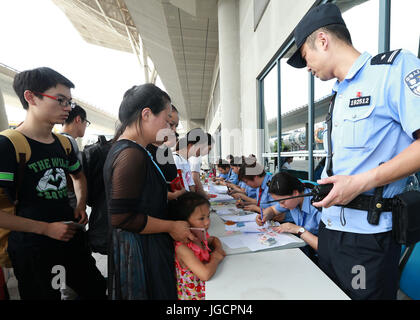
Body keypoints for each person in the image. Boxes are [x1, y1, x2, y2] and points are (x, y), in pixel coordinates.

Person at [287, 3, 420, 299]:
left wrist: (362, 182)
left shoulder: (393, 70)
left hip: (369, 238)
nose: (307, 67)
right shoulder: (337, 96)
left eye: (306, 57)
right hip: (331, 231)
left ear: (323, 40)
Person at [0, 67, 106, 300]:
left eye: (69, 101)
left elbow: (78, 176)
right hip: (32, 248)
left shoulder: (63, 144)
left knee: (96, 290)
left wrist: (80, 204)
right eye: (60, 100)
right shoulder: (8, 145)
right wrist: (46, 229)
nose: (67, 108)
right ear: (31, 97)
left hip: (70, 239)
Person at [103, 83, 196, 300]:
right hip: (140, 251)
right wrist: (172, 226)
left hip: (146, 243)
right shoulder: (130, 154)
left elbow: (142, 196)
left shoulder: (139, 151)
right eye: (166, 120)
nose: (170, 129)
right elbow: (121, 217)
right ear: (146, 114)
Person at [256, 172, 321, 264]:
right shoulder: (293, 200)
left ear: (295, 193)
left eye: (282, 202)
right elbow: (273, 210)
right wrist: (265, 215)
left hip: (322, 260)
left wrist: (298, 230)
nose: (281, 205)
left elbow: (326, 247)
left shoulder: (319, 207)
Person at [172, 192, 226, 300]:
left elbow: (215, 240)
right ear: (184, 222)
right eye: (201, 219)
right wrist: (215, 258)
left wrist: (218, 250)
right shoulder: (183, 248)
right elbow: (205, 274)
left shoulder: (199, 235)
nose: (207, 222)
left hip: (211, 288)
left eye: (208, 216)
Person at [147, 104, 186, 201]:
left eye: (176, 126)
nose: (174, 130)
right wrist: (168, 195)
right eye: (170, 124)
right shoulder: (142, 151)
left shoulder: (164, 148)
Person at [61, 104, 90, 209]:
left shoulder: (57, 140)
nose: (86, 126)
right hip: (71, 204)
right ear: (78, 119)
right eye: (86, 122)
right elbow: (76, 176)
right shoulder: (69, 142)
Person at [173, 128, 211, 193]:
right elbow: (180, 189)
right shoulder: (176, 160)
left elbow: (191, 186)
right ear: (191, 145)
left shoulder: (186, 161)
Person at [188, 132, 214, 199]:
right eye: (209, 149)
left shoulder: (191, 157)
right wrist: (204, 196)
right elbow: (195, 178)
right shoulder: (196, 157)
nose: (208, 152)